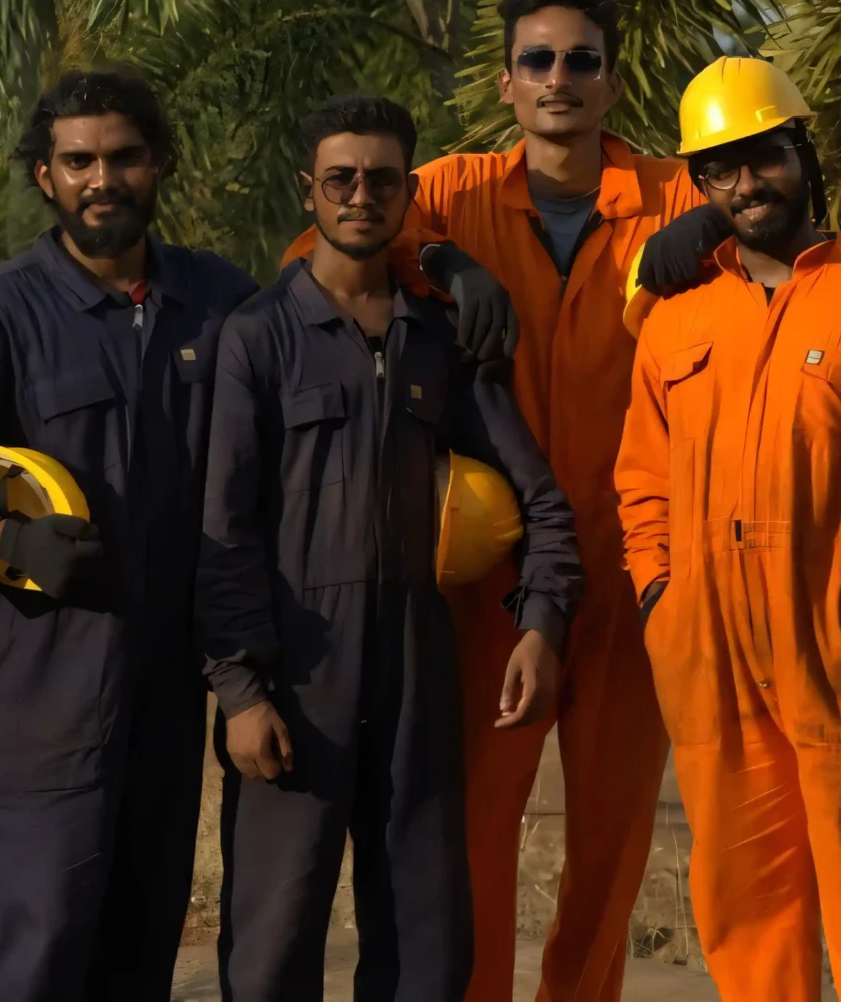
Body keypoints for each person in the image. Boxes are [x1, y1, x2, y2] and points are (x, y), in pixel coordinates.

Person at [279, 0, 699, 1002]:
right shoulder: (454, 192)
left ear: (612, 81)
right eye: (537, 59)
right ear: (506, 82)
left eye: (581, 60)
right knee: (472, 826)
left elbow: (778, 217)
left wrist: (715, 231)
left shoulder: (673, 197)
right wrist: (437, 255)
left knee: (611, 839)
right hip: (488, 571)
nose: (560, 78)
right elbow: (319, 251)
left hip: (636, 566)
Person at [0, 69, 261, 1000]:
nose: (102, 178)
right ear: (45, 176)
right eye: (78, 161)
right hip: (47, 688)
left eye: (124, 156)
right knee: (33, 948)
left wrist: (440, 266)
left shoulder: (220, 302)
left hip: (171, 686)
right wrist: (0, 542)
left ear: (159, 163)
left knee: (141, 947)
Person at [199, 95, 584, 1002]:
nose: (360, 196)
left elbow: (543, 502)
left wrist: (542, 624)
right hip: (298, 679)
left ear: (409, 192)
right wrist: (241, 691)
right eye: (340, 179)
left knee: (427, 949)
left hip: (417, 677)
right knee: (271, 948)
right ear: (309, 190)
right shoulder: (257, 338)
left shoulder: (438, 339)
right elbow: (223, 532)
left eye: (380, 180)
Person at [614, 57, 841, 1002]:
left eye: (764, 157)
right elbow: (641, 479)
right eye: (720, 169)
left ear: (804, 154)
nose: (747, 184)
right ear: (699, 184)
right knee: (745, 910)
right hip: (706, 652)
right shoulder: (675, 318)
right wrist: (659, 595)